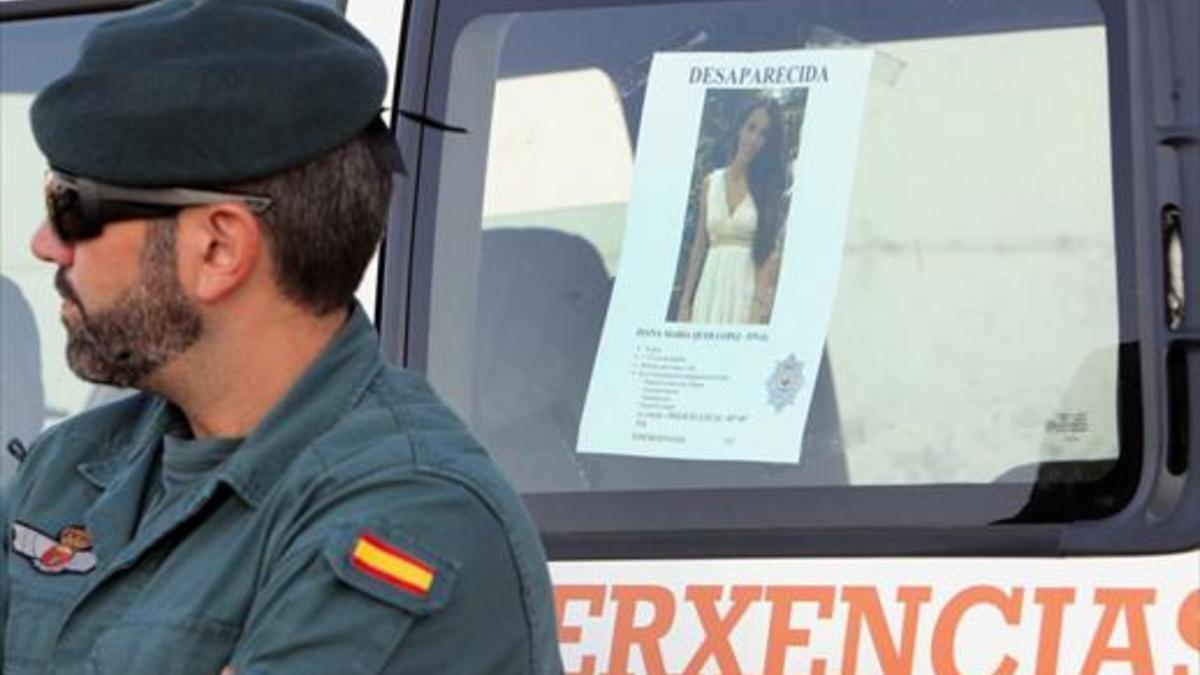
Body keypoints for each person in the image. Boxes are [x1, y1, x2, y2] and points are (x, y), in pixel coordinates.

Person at [1, 1, 564, 673]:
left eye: (72, 204)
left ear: (217, 248)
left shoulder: (408, 517)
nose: (45, 245)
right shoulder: (72, 467)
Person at [678, 98, 787, 325]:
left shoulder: (767, 191)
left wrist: (758, 309)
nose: (754, 139)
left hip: (745, 296)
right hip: (709, 290)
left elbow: (769, 254)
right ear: (740, 128)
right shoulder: (711, 183)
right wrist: (685, 303)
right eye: (751, 128)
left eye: (764, 135)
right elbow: (699, 247)